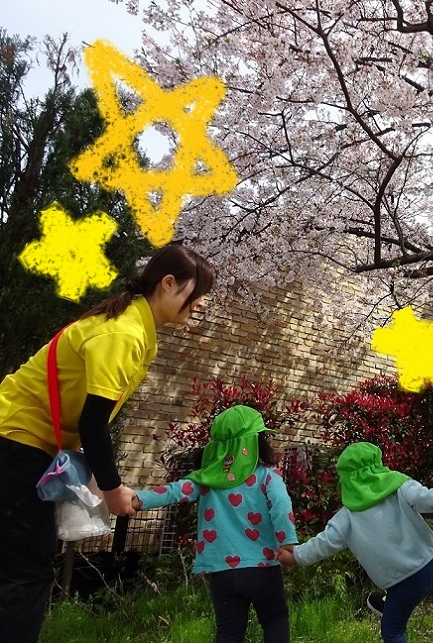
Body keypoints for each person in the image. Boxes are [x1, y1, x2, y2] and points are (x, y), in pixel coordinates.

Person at [0, 242, 214, 643]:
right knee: (24, 574)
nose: (198, 305)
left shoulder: (131, 325)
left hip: (19, 440)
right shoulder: (124, 333)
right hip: (17, 443)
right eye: (195, 294)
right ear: (169, 284)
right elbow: (94, 421)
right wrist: (112, 491)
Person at [133, 405, 297, 642]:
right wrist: (288, 543)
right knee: (274, 619)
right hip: (263, 567)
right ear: (255, 443)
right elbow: (282, 507)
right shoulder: (268, 475)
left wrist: (140, 500)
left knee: (229, 632)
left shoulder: (207, 479)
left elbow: (175, 491)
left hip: (222, 572)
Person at [277, 441, 433, 643]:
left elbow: (322, 544)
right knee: (398, 602)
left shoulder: (345, 519)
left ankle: (391, 607)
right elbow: (427, 497)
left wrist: (296, 556)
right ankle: (389, 604)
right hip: (430, 562)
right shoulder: (401, 488)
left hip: (402, 581)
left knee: (392, 631)